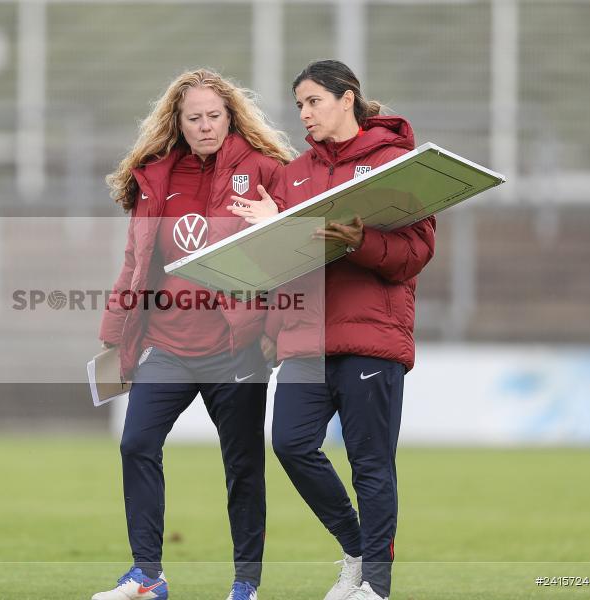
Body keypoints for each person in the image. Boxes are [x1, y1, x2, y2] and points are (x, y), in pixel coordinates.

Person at [230, 60, 435, 600]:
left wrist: (356, 241)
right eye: (299, 104)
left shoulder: (395, 163)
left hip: (371, 338)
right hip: (304, 339)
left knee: (371, 463)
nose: (304, 114)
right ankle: (357, 549)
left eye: (313, 101)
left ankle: (375, 587)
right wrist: (274, 230)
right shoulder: (295, 174)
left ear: (348, 99)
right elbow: (287, 260)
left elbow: (415, 254)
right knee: (291, 443)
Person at [93, 68, 294, 600]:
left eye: (214, 116)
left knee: (243, 468)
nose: (205, 126)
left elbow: (291, 258)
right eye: (194, 118)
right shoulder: (155, 176)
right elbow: (136, 261)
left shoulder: (266, 170)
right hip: (168, 348)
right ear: (177, 124)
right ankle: (147, 577)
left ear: (230, 117)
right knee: (136, 443)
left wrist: (273, 329)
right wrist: (116, 335)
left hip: (236, 350)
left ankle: (245, 585)